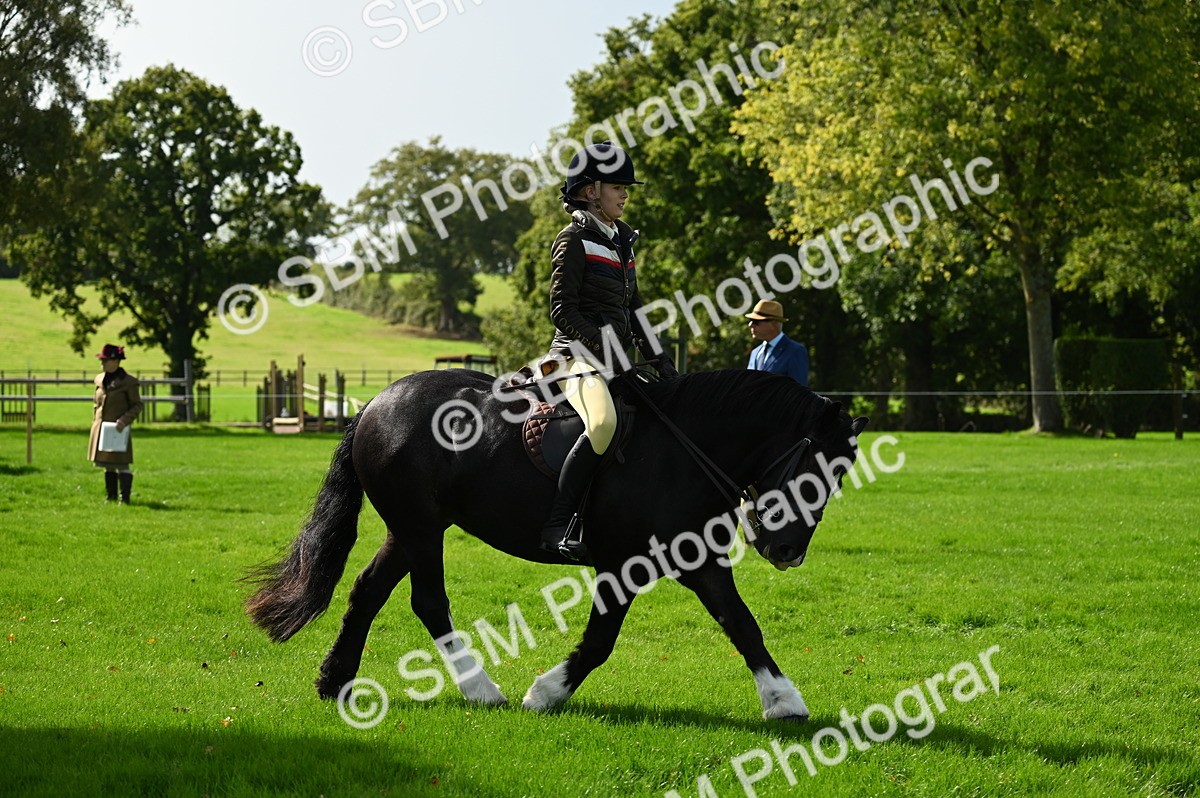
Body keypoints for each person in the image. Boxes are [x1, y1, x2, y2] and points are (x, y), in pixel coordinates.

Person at [541, 140, 676, 561]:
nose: (625, 193)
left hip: (617, 360)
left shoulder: (622, 241)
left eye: (625, 187)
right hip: (575, 359)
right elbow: (561, 308)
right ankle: (557, 523)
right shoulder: (573, 239)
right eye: (617, 186)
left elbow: (634, 309)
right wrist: (606, 347)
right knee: (602, 424)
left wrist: (661, 360)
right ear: (590, 190)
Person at [87, 344, 143, 504]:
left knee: (122, 464)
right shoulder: (99, 379)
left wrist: (124, 421)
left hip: (118, 430)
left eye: (105, 360)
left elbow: (137, 405)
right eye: (102, 360)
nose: (102, 363)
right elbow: (96, 404)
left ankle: (124, 499)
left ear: (116, 361)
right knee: (107, 464)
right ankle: (110, 497)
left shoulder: (129, 382)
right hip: (101, 428)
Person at [745, 299, 810, 386]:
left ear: (773, 323)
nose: (750, 325)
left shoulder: (795, 351)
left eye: (756, 321)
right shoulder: (755, 353)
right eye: (750, 320)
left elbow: (799, 393)